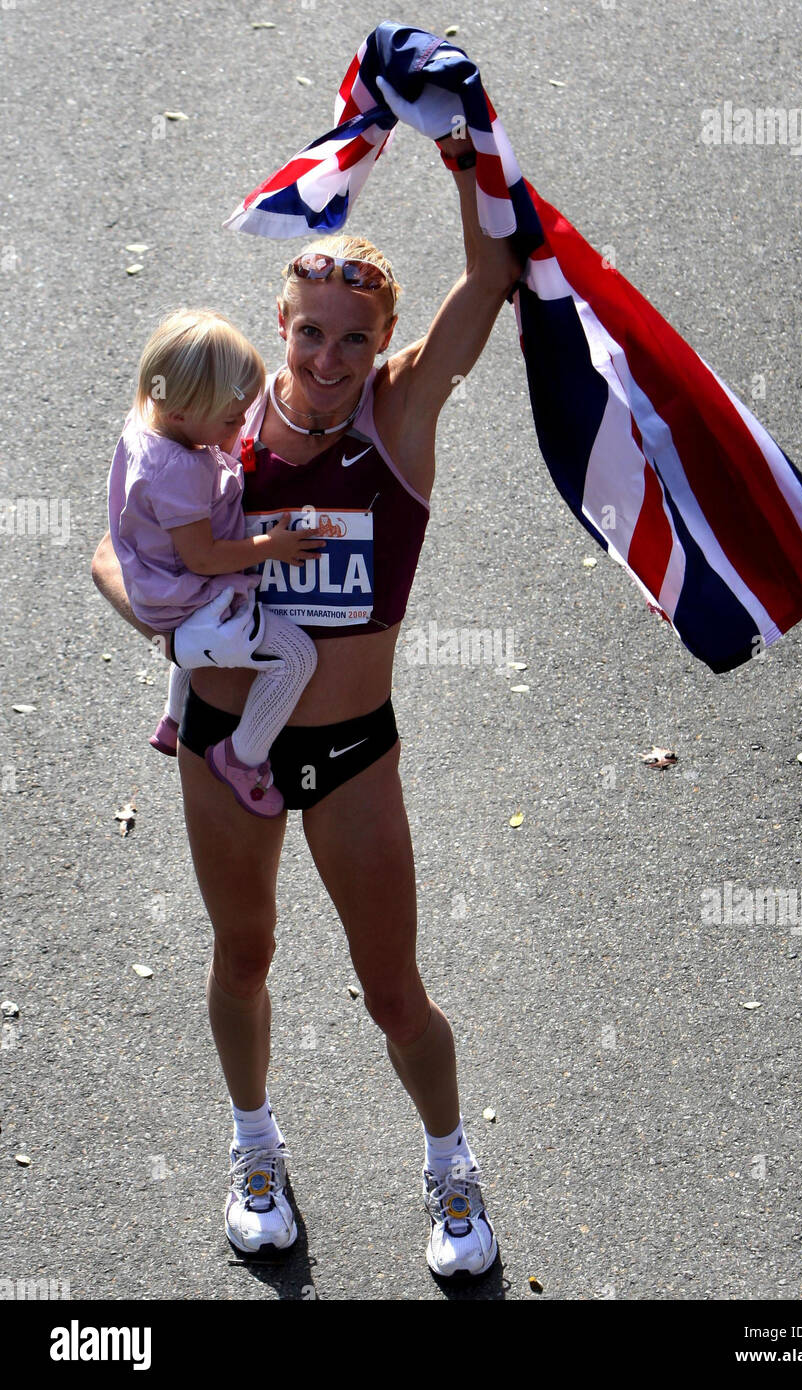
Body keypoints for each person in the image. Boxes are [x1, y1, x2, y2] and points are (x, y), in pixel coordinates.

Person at [91, 125, 522, 1281]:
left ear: (384, 341)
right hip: (224, 736)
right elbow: (110, 549)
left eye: (353, 340)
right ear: (279, 329)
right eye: (309, 334)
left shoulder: (400, 420)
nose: (328, 359)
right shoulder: (217, 422)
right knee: (243, 955)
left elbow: (491, 278)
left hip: (351, 753)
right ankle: (254, 1148)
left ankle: (447, 1161)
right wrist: (154, 617)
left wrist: (463, 146)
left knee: (392, 992)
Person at [107, 308, 322, 816]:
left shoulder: (150, 423)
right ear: (180, 411)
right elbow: (202, 558)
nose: (238, 428)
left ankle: (175, 718)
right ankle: (243, 757)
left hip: (160, 587)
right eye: (231, 420)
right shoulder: (178, 470)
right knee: (297, 660)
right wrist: (271, 548)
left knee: (190, 647)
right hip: (187, 598)